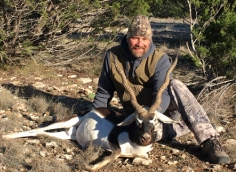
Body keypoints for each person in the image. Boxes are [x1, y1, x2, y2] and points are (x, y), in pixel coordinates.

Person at [92, 15, 230, 164]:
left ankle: (210, 139)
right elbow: (104, 91)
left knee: (175, 84)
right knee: (137, 135)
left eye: (144, 39)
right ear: (127, 38)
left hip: (159, 112)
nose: (140, 43)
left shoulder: (160, 59)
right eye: (135, 38)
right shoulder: (112, 56)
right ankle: (189, 127)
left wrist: (150, 113)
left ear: (150, 40)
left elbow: (162, 93)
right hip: (136, 117)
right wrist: (92, 117)